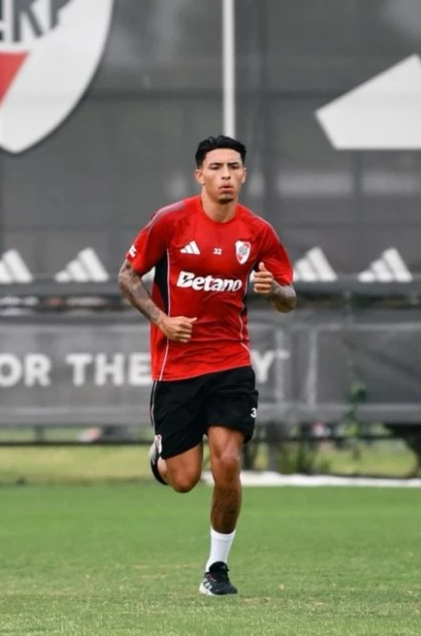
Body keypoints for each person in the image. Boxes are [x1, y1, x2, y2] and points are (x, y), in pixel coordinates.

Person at [117, 135, 296, 596]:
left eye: (233, 167)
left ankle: (217, 569)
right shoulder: (171, 222)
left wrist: (273, 289)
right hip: (176, 366)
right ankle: (162, 456)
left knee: (229, 462)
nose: (225, 176)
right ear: (200, 175)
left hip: (231, 363)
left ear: (244, 174)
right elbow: (127, 275)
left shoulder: (258, 232)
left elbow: (288, 299)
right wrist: (162, 319)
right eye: (215, 168)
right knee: (183, 480)